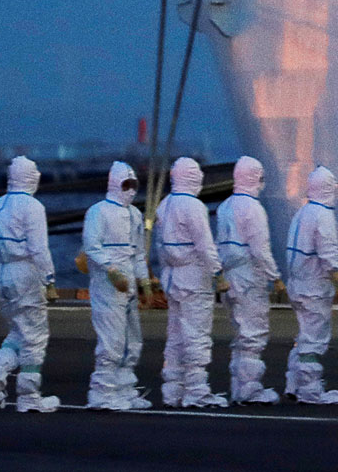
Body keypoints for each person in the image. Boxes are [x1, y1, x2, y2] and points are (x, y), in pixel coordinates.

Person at [0, 155, 60, 412]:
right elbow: (38, 248)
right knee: (35, 336)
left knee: (17, 331)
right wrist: (49, 279)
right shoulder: (32, 207)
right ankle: (29, 396)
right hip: (25, 274)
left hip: (2, 274)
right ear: (30, 177)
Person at [154, 156, 229, 408]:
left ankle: (172, 390)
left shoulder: (164, 205)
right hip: (194, 277)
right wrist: (218, 273)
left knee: (175, 336)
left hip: (172, 277)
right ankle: (197, 390)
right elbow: (205, 245)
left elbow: (159, 246)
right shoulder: (194, 206)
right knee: (196, 335)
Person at [215, 154, 284, 404]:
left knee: (240, 333)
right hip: (249, 276)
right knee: (253, 333)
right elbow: (260, 249)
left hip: (230, 276)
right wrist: (275, 277)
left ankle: (239, 386)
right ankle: (250, 389)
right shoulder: (254, 208)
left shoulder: (225, 206)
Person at [83, 160, 151, 410]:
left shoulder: (134, 214)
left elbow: (138, 252)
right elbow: (92, 246)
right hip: (108, 285)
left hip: (129, 283)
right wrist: (111, 271)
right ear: (115, 184)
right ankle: (102, 392)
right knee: (111, 340)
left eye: (134, 185)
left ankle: (125, 389)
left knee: (133, 341)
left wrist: (144, 283)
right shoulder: (98, 212)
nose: (132, 191)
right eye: (127, 185)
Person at [283, 165, 338, 405]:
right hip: (314, 287)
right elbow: (328, 252)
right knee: (313, 339)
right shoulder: (323, 215)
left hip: (298, 284)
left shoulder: (303, 212)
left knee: (304, 336)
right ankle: (310, 391)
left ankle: (294, 383)